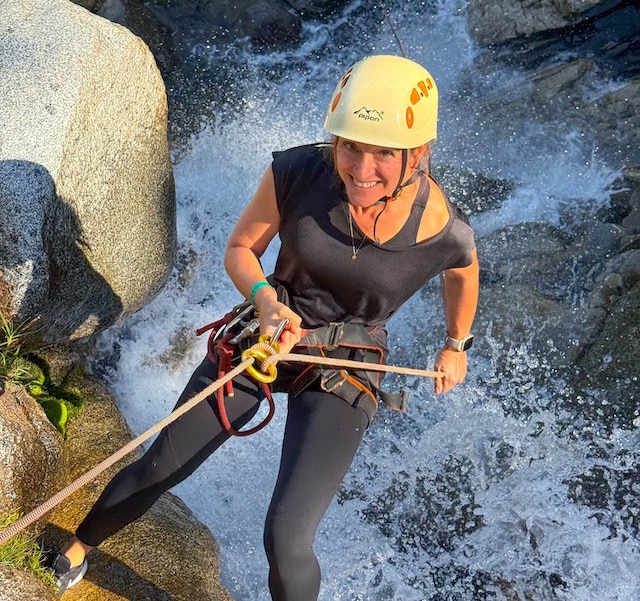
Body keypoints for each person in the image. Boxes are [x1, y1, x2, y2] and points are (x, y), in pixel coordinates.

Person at [45, 54, 479, 599]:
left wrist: (456, 344)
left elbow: (463, 273)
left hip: (345, 363)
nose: (361, 169)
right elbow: (241, 249)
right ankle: (77, 548)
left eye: (384, 154)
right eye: (350, 146)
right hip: (264, 333)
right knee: (160, 466)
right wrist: (267, 302)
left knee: (287, 536)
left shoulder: (444, 229)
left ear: (419, 154)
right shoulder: (297, 173)